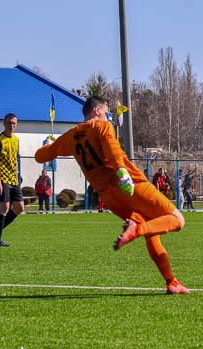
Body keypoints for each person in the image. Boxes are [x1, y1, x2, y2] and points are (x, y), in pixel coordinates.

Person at [35, 96, 189, 294]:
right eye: (106, 113)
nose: (108, 116)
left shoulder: (70, 137)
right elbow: (112, 148)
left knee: (153, 233)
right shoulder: (103, 126)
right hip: (130, 186)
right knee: (178, 220)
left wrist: (49, 144)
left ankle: (172, 282)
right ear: (97, 111)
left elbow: (41, 157)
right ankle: (137, 229)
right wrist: (122, 171)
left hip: (109, 198)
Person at [0, 113, 24, 247]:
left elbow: (15, 158)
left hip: (14, 179)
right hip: (3, 178)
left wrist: (17, 174)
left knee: (19, 207)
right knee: (5, 207)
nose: (11, 125)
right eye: (9, 123)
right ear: (4, 123)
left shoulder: (16, 140)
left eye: (14, 123)